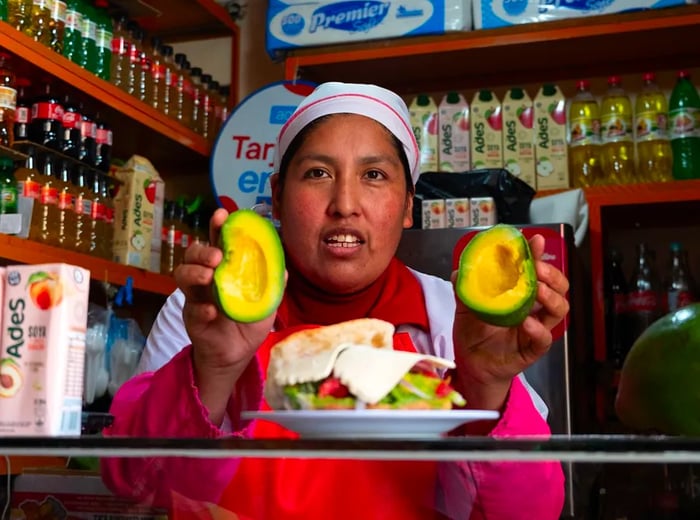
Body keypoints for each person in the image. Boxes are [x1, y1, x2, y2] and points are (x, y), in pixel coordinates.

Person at [102, 82, 569, 519]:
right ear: (278, 197)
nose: (345, 203)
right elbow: (136, 490)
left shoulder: (454, 318)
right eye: (318, 173)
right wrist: (214, 370)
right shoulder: (205, 311)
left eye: (374, 174)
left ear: (408, 205)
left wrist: (486, 385)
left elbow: (528, 512)